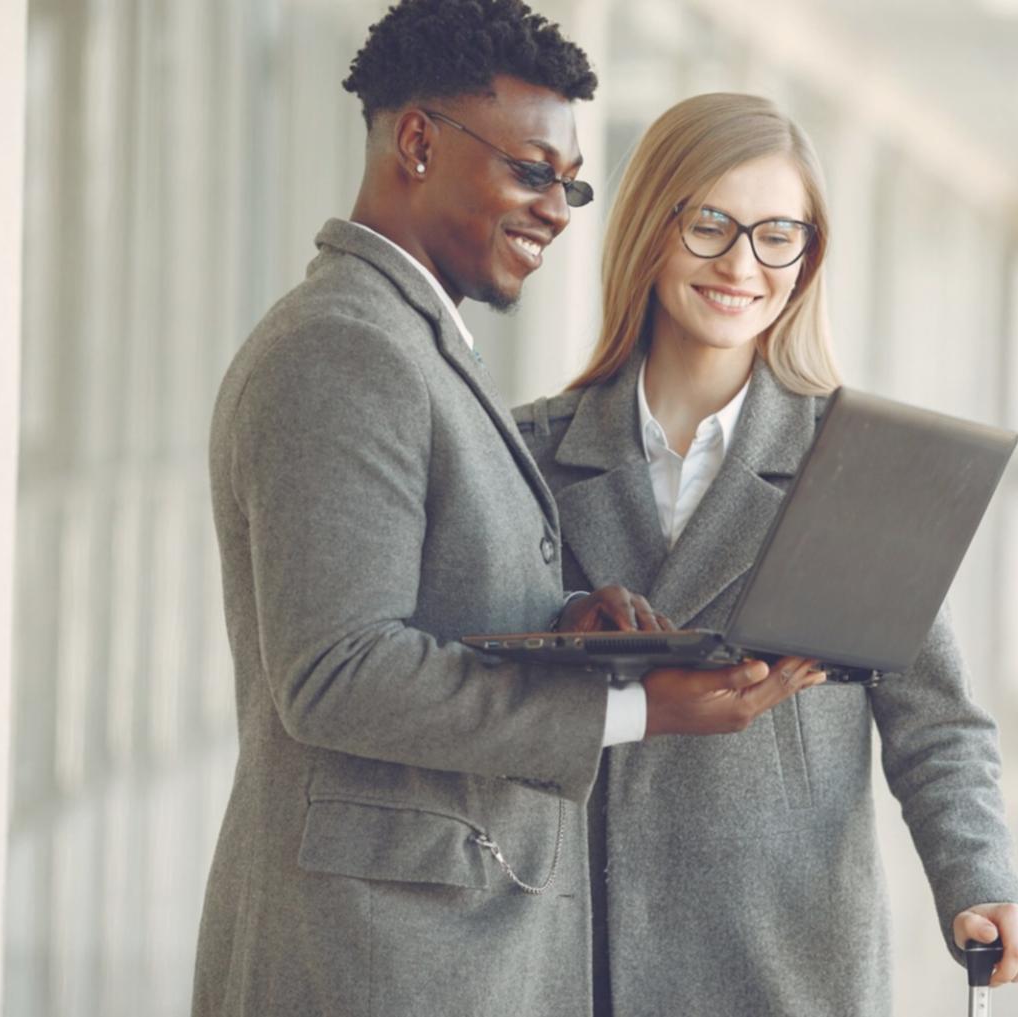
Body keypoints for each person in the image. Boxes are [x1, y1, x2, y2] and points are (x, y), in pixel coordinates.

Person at [192, 7, 817, 1016]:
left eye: (570, 185)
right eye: (532, 173)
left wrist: (556, 622)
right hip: (372, 959)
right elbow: (336, 674)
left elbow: (418, 604)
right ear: (418, 141)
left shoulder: (414, 343)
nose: (558, 209)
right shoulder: (342, 351)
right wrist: (631, 709)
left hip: (436, 937)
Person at [513, 92, 1018, 1017]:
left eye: (780, 234)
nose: (742, 264)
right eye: (710, 225)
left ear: (809, 257)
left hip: (785, 955)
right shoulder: (528, 452)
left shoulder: (856, 467)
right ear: (651, 227)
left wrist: (979, 880)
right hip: (570, 950)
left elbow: (935, 722)